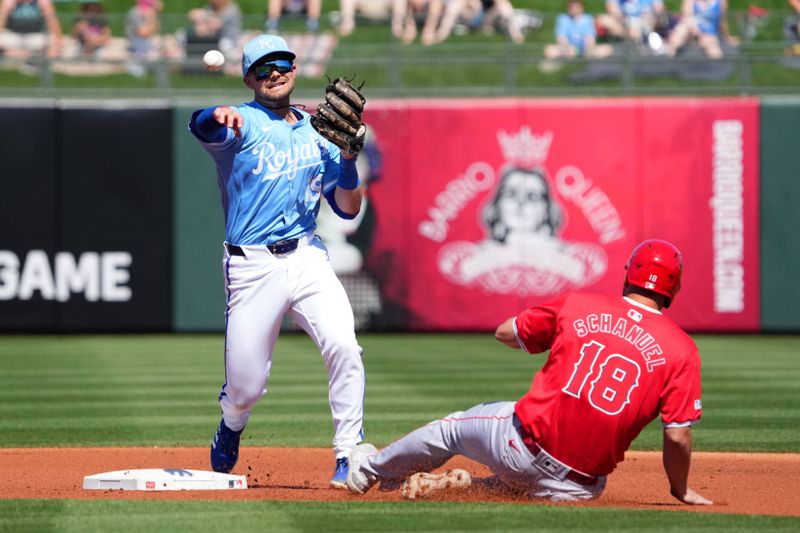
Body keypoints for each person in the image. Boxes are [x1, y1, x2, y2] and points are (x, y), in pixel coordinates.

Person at [345, 239, 713, 505]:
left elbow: (507, 332)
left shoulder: (581, 305)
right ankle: (466, 486)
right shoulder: (682, 350)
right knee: (527, 488)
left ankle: (367, 472)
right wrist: (679, 490)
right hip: (578, 488)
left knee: (453, 429)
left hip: (519, 448)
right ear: (673, 288)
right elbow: (678, 436)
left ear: (629, 274)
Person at [187, 34, 367, 489]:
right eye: (262, 68)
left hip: (307, 256)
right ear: (249, 78)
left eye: (281, 64)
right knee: (246, 388)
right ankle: (231, 423)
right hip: (252, 266)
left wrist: (347, 160)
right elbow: (200, 126)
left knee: (344, 345)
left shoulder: (318, 130)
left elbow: (347, 208)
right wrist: (215, 114)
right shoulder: (239, 124)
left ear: (293, 69)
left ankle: (349, 453)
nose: (274, 73)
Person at [543, 0, 614, 64]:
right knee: (549, 50)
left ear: (581, 7)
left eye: (576, 6)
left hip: (585, 49)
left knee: (608, 49)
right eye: (572, 7)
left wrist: (587, 49)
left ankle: (589, 62)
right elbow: (561, 39)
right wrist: (567, 48)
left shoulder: (588, 19)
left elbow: (590, 39)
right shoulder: (563, 19)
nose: (574, 9)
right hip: (568, 49)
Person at [664, 0, 738, 59]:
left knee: (713, 50)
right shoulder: (690, 1)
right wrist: (697, 32)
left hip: (709, 33)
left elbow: (722, 21)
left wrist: (727, 38)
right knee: (682, 29)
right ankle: (668, 55)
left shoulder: (720, 2)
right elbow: (686, 17)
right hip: (692, 30)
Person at [596, 0, 667, 46]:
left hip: (646, 23)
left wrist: (652, 17)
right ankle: (635, 39)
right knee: (603, 19)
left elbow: (660, 11)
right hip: (625, 24)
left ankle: (638, 40)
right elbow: (613, 12)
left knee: (660, 19)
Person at [124, 0, 162, 75]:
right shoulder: (135, 13)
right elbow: (143, 33)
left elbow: (156, 29)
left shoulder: (150, 13)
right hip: (137, 43)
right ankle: (137, 64)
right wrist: (152, 19)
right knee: (155, 55)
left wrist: (153, 17)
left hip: (147, 41)